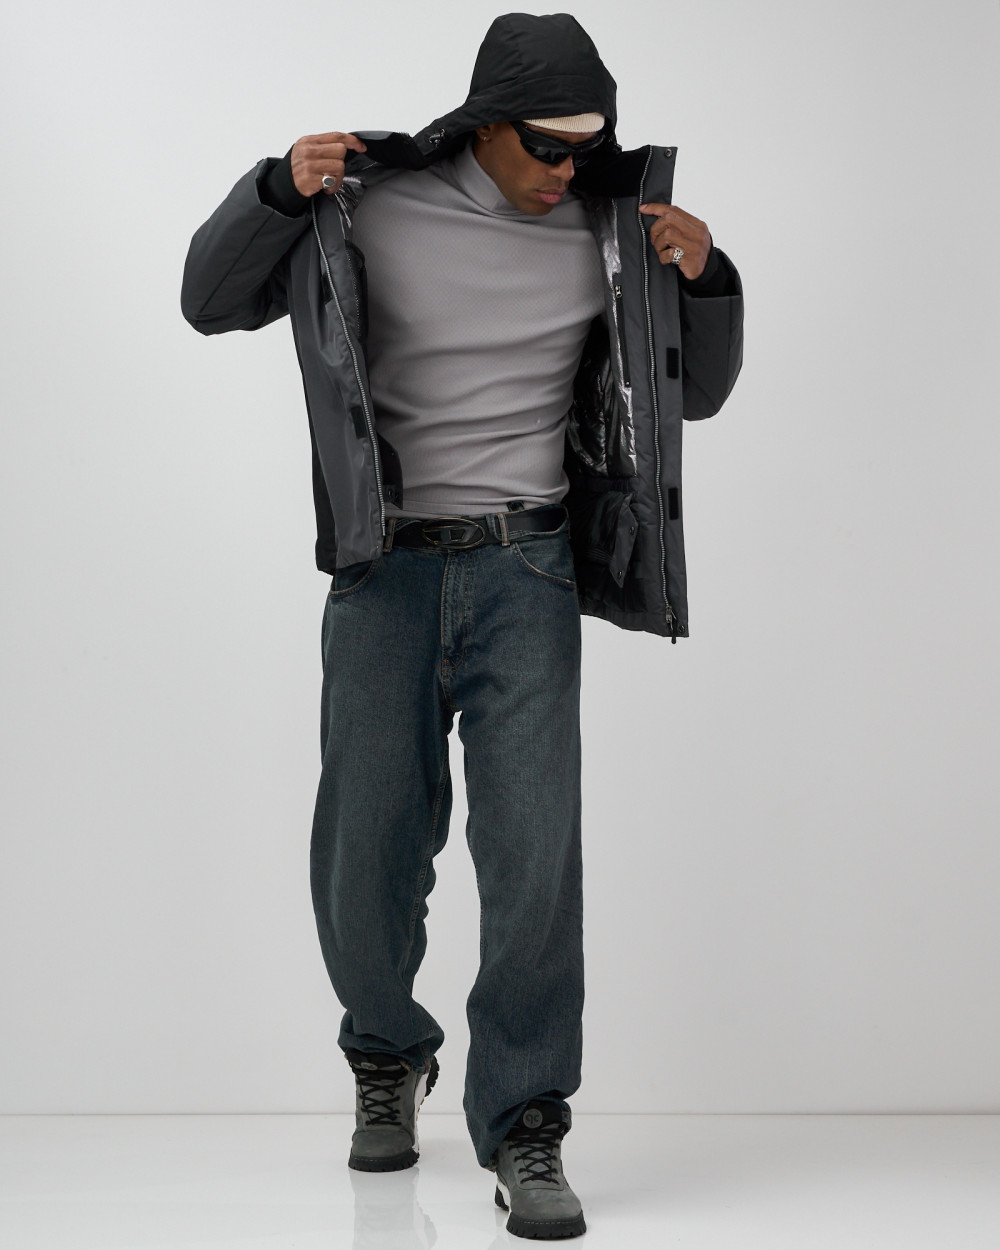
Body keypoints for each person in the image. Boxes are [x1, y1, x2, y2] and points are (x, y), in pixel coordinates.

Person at [181, 11, 744, 1241]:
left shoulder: (612, 228)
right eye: (546, 147)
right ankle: (387, 1049)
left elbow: (692, 392)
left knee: (534, 857)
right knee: (366, 852)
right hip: (383, 571)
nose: (567, 171)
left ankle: (525, 1120)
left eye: (586, 149)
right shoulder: (366, 205)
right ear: (486, 125)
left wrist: (705, 281)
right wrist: (272, 191)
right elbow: (208, 303)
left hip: (525, 571)